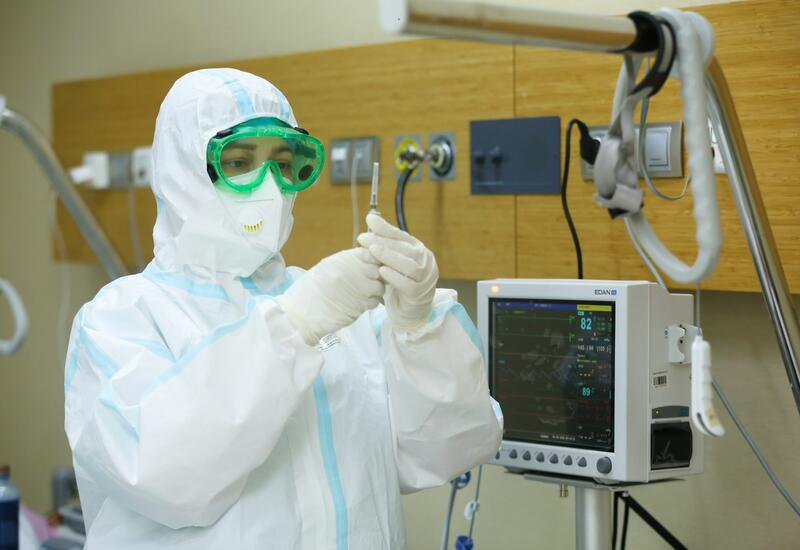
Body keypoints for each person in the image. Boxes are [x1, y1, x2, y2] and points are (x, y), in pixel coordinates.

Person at [64, 68, 502, 549]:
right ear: (183, 169)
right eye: (239, 162)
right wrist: (293, 327)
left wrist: (417, 329)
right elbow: (165, 476)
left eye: (283, 163)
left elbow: (448, 449)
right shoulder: (124, 319)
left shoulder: (342, 312)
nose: (270, 186)